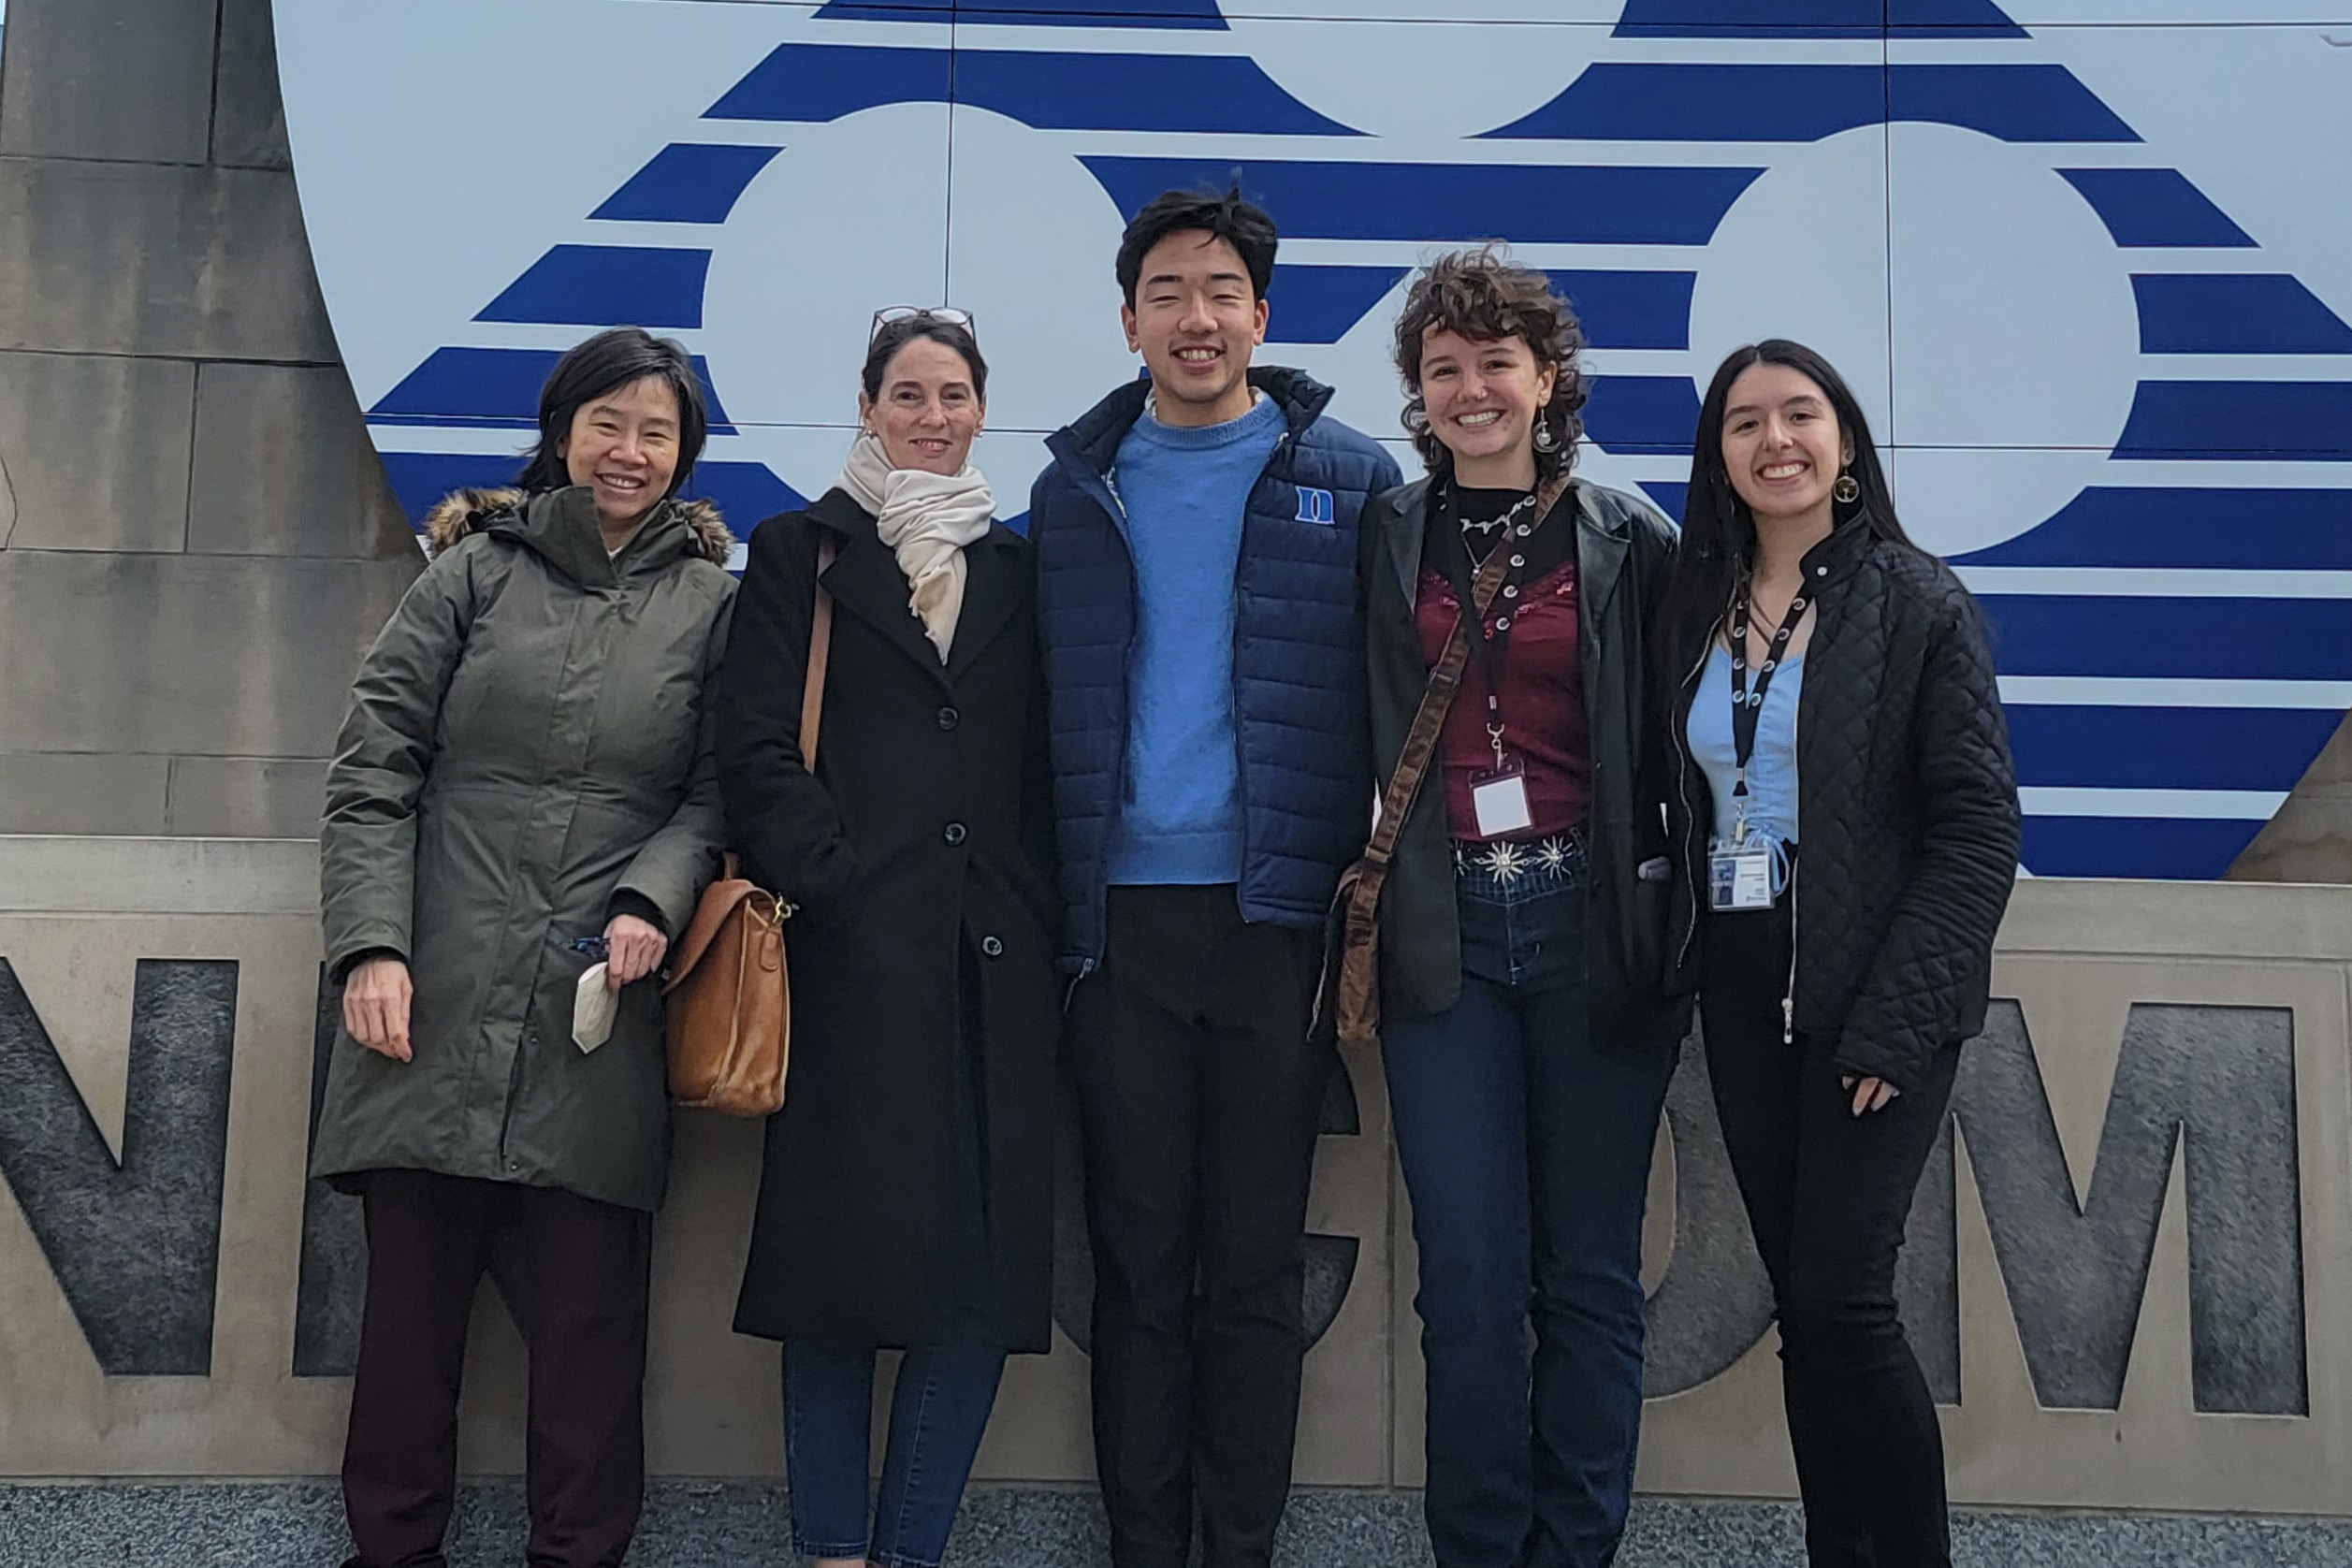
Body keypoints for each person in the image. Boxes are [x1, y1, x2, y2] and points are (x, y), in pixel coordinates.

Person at [313, 326, 736, 1568]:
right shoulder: (470, 575)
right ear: (562, 433)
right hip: (431, 998)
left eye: (656, 432)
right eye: (608, 423)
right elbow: (371, 773)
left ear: (683, 456)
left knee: (590, 1336)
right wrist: (372, 948)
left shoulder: (712, 605)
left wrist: (654, 899)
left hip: (595, 1009)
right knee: (406, 1333)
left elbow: (718, 796)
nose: (630, 451)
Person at [1028, 187, 1401, 1568]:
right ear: (1129, 321)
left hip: (1276, 925)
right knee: (1134, 1264)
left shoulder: (1353, 479)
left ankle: (1235, 1546)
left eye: (1222, 292)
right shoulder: (1074, 492)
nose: (1198, 318)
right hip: (1116, 926)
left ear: (1263, 315)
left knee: (1251, 1264)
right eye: (1169, 293)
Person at [1659, 341, 2020, 1568]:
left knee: (1844, 1303)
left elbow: (1977, 830)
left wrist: (1895, 1022)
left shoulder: (1914, 599)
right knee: (1800, 1319)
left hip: (1874, 992)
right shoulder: (1691, 607)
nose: (1775, 440)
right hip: (1742, 984)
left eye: (1799, 414)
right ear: (1718, 455)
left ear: (1846, 443)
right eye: (1744, 421)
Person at [1358, 250, 1688, 1568]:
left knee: (1589, 1282)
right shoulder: (1388, 535)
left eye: (1496, 361)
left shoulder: (1631, 538)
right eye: (1444, 368)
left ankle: (1575, 1550)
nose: (1471, 387)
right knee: (1470, 1289)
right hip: (1442, 939)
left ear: (1547, 380)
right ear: (1419, 393)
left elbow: (1694, 744)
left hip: (1589, 930)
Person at [716, 309, 1058, 1568]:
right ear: (866, 406)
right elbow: (752, 746)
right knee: (835, 1286)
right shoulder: (798, 553)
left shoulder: (1019, 569)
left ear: (980, 410)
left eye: (952, 393)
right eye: (906, 393)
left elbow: (1041, 765)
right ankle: (830, 1552)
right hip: (849, 964)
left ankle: (910, 1550)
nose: (930, 413)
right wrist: (836, 884)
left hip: (993, 972)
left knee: (977, 1290)